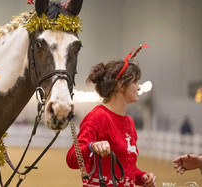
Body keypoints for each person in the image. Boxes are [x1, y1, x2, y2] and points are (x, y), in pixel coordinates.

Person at [66, 45, 156, 186]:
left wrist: (143, 177)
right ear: (121, 86)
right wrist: (91, 146)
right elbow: (72, 159)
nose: (139, 87)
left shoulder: (129, 123)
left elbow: (126, 169)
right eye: (135, 82)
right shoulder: (97, 117)